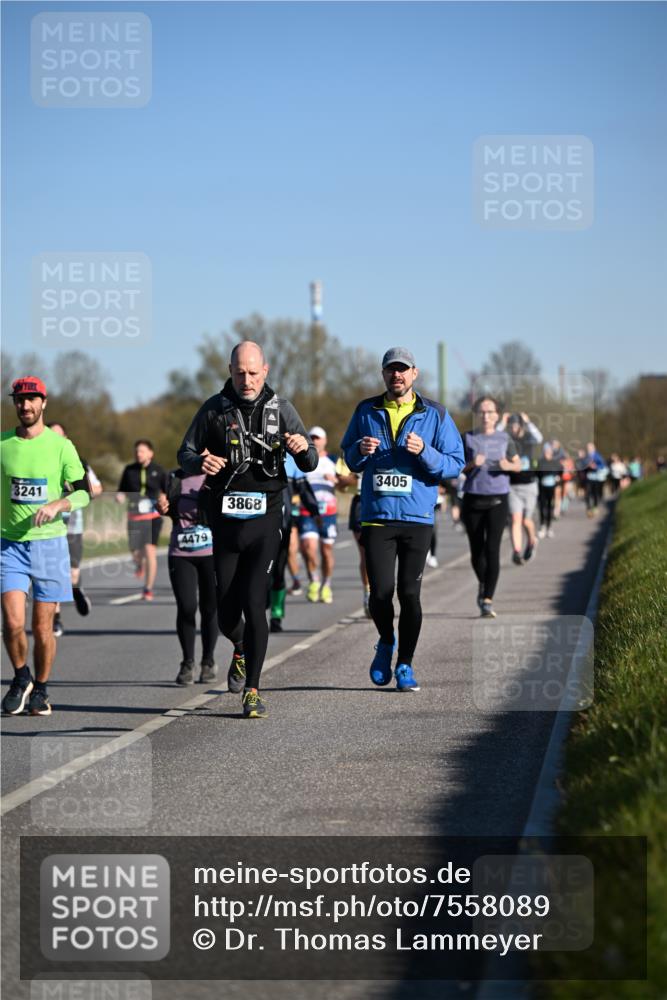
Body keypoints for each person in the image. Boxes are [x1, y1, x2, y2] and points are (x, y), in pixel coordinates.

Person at [177, 341, 318, 719]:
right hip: (224, 524)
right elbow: (184, 454)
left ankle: (253, 689)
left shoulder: (282, 409)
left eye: (253, 372)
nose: (247, 380)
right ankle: (239, 647)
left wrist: (302, 448)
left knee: (256, 604)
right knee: (225, 613)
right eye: (240, 372)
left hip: (266, 520)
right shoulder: (213, 409)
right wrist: (200, 461)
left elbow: (310, 461)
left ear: (266, 370)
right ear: (230, 370)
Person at [341, 347, 464, 692]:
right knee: (380, 593)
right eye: (390, 370)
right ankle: (385, 641)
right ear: (383, 375)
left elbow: (455, 462)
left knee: (409, 594)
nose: (396, 376)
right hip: (378, 517)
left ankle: (406, 664)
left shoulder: (435, 414)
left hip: (417, 518)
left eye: (402, 370)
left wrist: (425, 451)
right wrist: (359, 453)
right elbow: (348, 456)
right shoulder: (366, 410)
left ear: (414, 374)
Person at [1, 377, 90, 716]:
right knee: (11, 623)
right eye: (20, 400)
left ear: (43, 402)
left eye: (32, 400)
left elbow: (83, 491)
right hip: (9, 545)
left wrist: (58, 504)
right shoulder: (3, 444)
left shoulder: (61, 446)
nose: (26, 406)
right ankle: (20, 676)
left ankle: (41, 688)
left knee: (42, 626)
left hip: (49, 545)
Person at [157, 468, 219, 685]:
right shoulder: (174, 478)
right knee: (187, 606)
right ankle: (187, 662)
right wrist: (162, 507)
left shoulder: (218, 475)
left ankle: (208, 661)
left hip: (212, 552)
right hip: (180, 552)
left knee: (210, 607)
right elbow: (165, 505)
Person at [461, 397, 521, 618]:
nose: (486, 416)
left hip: (498, 500)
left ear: (497, 415)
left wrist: (508, 465)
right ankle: (484, 583)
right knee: (477, 553)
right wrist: (471, 464)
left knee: (492, 549)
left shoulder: (505, 439)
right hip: (473, 499)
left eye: (490, 412)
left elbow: (519, 464)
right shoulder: (467, 437)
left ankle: (488, 599)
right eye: (482, 412)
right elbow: (455, 467)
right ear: (477, 415)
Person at [48, 422, 103, 635]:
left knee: (70, 574)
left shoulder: (78, 461)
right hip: (49, 528)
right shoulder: (40, 459)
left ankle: (75, 588)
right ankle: (56, 619)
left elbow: (96, 489)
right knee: (53, 573)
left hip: (72, 526)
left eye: (59, 436)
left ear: (67, 438)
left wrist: (80, 490)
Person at [269, 452, 319, 632]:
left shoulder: (291, 461)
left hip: (283, 525)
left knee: (278, 572)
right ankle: (261, 603)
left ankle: (276, 615)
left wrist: (315, 512)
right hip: (256, 526)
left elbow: (304, 489)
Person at [116, 440, 168, 600]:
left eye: (142, 451)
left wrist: (163, 499)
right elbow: (122, 490)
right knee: (135, 551)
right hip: (134, 516)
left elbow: (166, 492)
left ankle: (148, 588)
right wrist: (120, 496)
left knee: (149, 551)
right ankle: (139, 563)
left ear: (150, 453)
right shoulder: (129, 470)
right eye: (137, 451)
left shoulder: (159, 471)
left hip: (152, 518)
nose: (139, 454)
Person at [298, 426, 339, 604]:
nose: (315, 441)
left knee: (326, 551)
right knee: (308, 548)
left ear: (325, 441)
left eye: (318, 438)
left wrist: (336, 480)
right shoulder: (302, 460)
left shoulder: (333, 461)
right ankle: (314, 579)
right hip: (307, 511)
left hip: (328, 512)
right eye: (312, 438)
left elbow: (346, 483)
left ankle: (327, 584)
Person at [498, 411, 543, 565]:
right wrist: (502, 423)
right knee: (515, 519)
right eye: (511, 425)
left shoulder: (528, 439)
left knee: (526, 521)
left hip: (529, 485)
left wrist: (528, 421)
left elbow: (539, 438)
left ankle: (532, 541)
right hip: (512, 486)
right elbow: (492, 438)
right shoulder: (506, 440)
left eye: (516, 425)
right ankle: (516, 551)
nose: (513, 428)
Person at [335, 456, 371, 616]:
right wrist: (357, 477)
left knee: (385, 552)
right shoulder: (353, 446)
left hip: (386, 499)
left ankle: (383, 592)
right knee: (366, 554)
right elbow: (341, 482)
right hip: (361, 502)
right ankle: (368, 594)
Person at [536, 443, 562, 539]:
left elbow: (560, 472)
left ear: (552, 452)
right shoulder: (541, 462)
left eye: (549, 451)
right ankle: (542, 526)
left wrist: (557, 478)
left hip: (552, 488)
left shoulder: (555, 462)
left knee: (550, 507)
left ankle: (549, 527)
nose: (548, 453)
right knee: (542, 507)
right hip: (542, 488)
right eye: (546, 451)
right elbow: (537, 473)